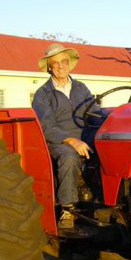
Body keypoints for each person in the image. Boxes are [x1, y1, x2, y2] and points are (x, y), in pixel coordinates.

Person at [32, 43, 100, 229]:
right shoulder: (43, 94)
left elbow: (94, 113)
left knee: (111, 144)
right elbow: (47, 126)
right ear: (49, 67)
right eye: (55, 63)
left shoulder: (81, 88)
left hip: (84, 134)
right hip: (58, 139)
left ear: (70, 64)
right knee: (69, 156)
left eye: (64, 61)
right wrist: (72, 141)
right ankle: (67, 209)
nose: (61, 66)